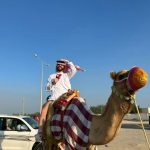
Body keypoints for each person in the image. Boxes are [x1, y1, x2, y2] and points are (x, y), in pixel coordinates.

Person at [38, 58, 84, 140]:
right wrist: (53, 82)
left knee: (80, 102)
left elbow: (73, 69)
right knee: (44, 108)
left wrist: (68, 62)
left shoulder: (67, 75)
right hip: (54, 98)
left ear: (64, 66)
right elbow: (47, 88)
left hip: (66, 96)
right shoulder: (51, 76)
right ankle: (41, 130)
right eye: (58, 64)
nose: (59, 66)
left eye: (62, 64)